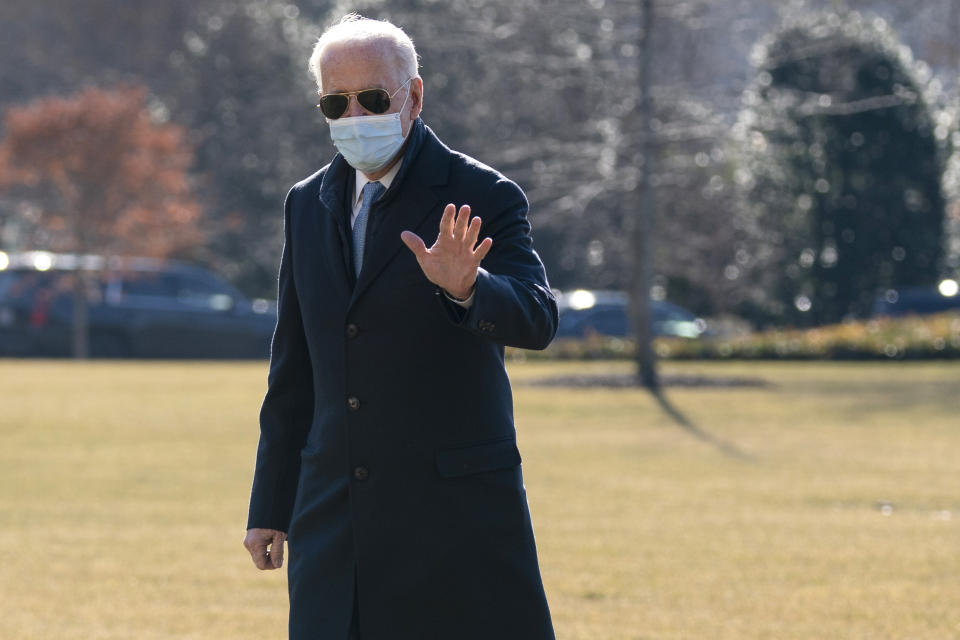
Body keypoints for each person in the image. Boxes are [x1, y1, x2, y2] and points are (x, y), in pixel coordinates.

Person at [243, 14, 558, 640]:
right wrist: (269, 506)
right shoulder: (306, 202)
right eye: (337, 102)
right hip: (334, 525)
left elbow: (538, 318)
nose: (356, 115)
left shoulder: (481, 192)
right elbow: (295, 367)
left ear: (414, 95)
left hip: (453, 524)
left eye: (374, 98)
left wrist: (468, 288)